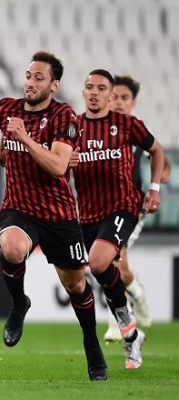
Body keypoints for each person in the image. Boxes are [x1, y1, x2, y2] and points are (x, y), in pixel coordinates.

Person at [0, 51, 107, 381]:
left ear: (54, 85)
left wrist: (26, 138)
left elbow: (58, 167)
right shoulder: (5, 109)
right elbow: (3, 155)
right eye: (29, 75)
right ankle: (19, 305)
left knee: (75, 285)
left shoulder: (64, 117)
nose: (30, 82)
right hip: (19, 207)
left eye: (39, 78)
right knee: (12, 248)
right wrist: (8, 145)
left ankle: (91, 342)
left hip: (58, 214)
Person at [69, 69, 166, 369]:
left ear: (110, 95)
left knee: (99, 263)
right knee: (102, 271)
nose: (94, 92)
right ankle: (131, 332)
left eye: (101, 88)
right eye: (89, 87)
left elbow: (157, 150)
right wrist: (63, 163)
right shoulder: (72, 128)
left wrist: (153, 190)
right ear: (83, 93)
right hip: (87, 213)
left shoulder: (125, 124)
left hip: (123, 207)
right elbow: (57, 166)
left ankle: (128, 325)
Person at [102, 75, 172, 342]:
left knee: (111, 262)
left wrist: (159, 179)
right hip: (100, 207)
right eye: (115, 96)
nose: (118, 102)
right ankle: (138, 293)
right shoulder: (96, 129)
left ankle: (116, 324)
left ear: (133, 103)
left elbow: (159, 154)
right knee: (120, 268)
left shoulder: (134, 130)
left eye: (124, 98)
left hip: (131, 207)